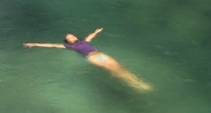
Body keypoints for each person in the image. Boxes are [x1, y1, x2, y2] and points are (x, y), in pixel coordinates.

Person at [23, 27, 152, 91]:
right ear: (68, 41)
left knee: (119, 67)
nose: (72, 36)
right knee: (113, 71)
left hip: (100, 55)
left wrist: (96, 31)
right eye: (69, 37)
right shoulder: (70, 47)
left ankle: (137, 81)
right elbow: (51, 46)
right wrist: (35, 44)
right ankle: (135, 86)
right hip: (93, 59)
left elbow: (91, 37)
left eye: (72, 35)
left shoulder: (84, 41)